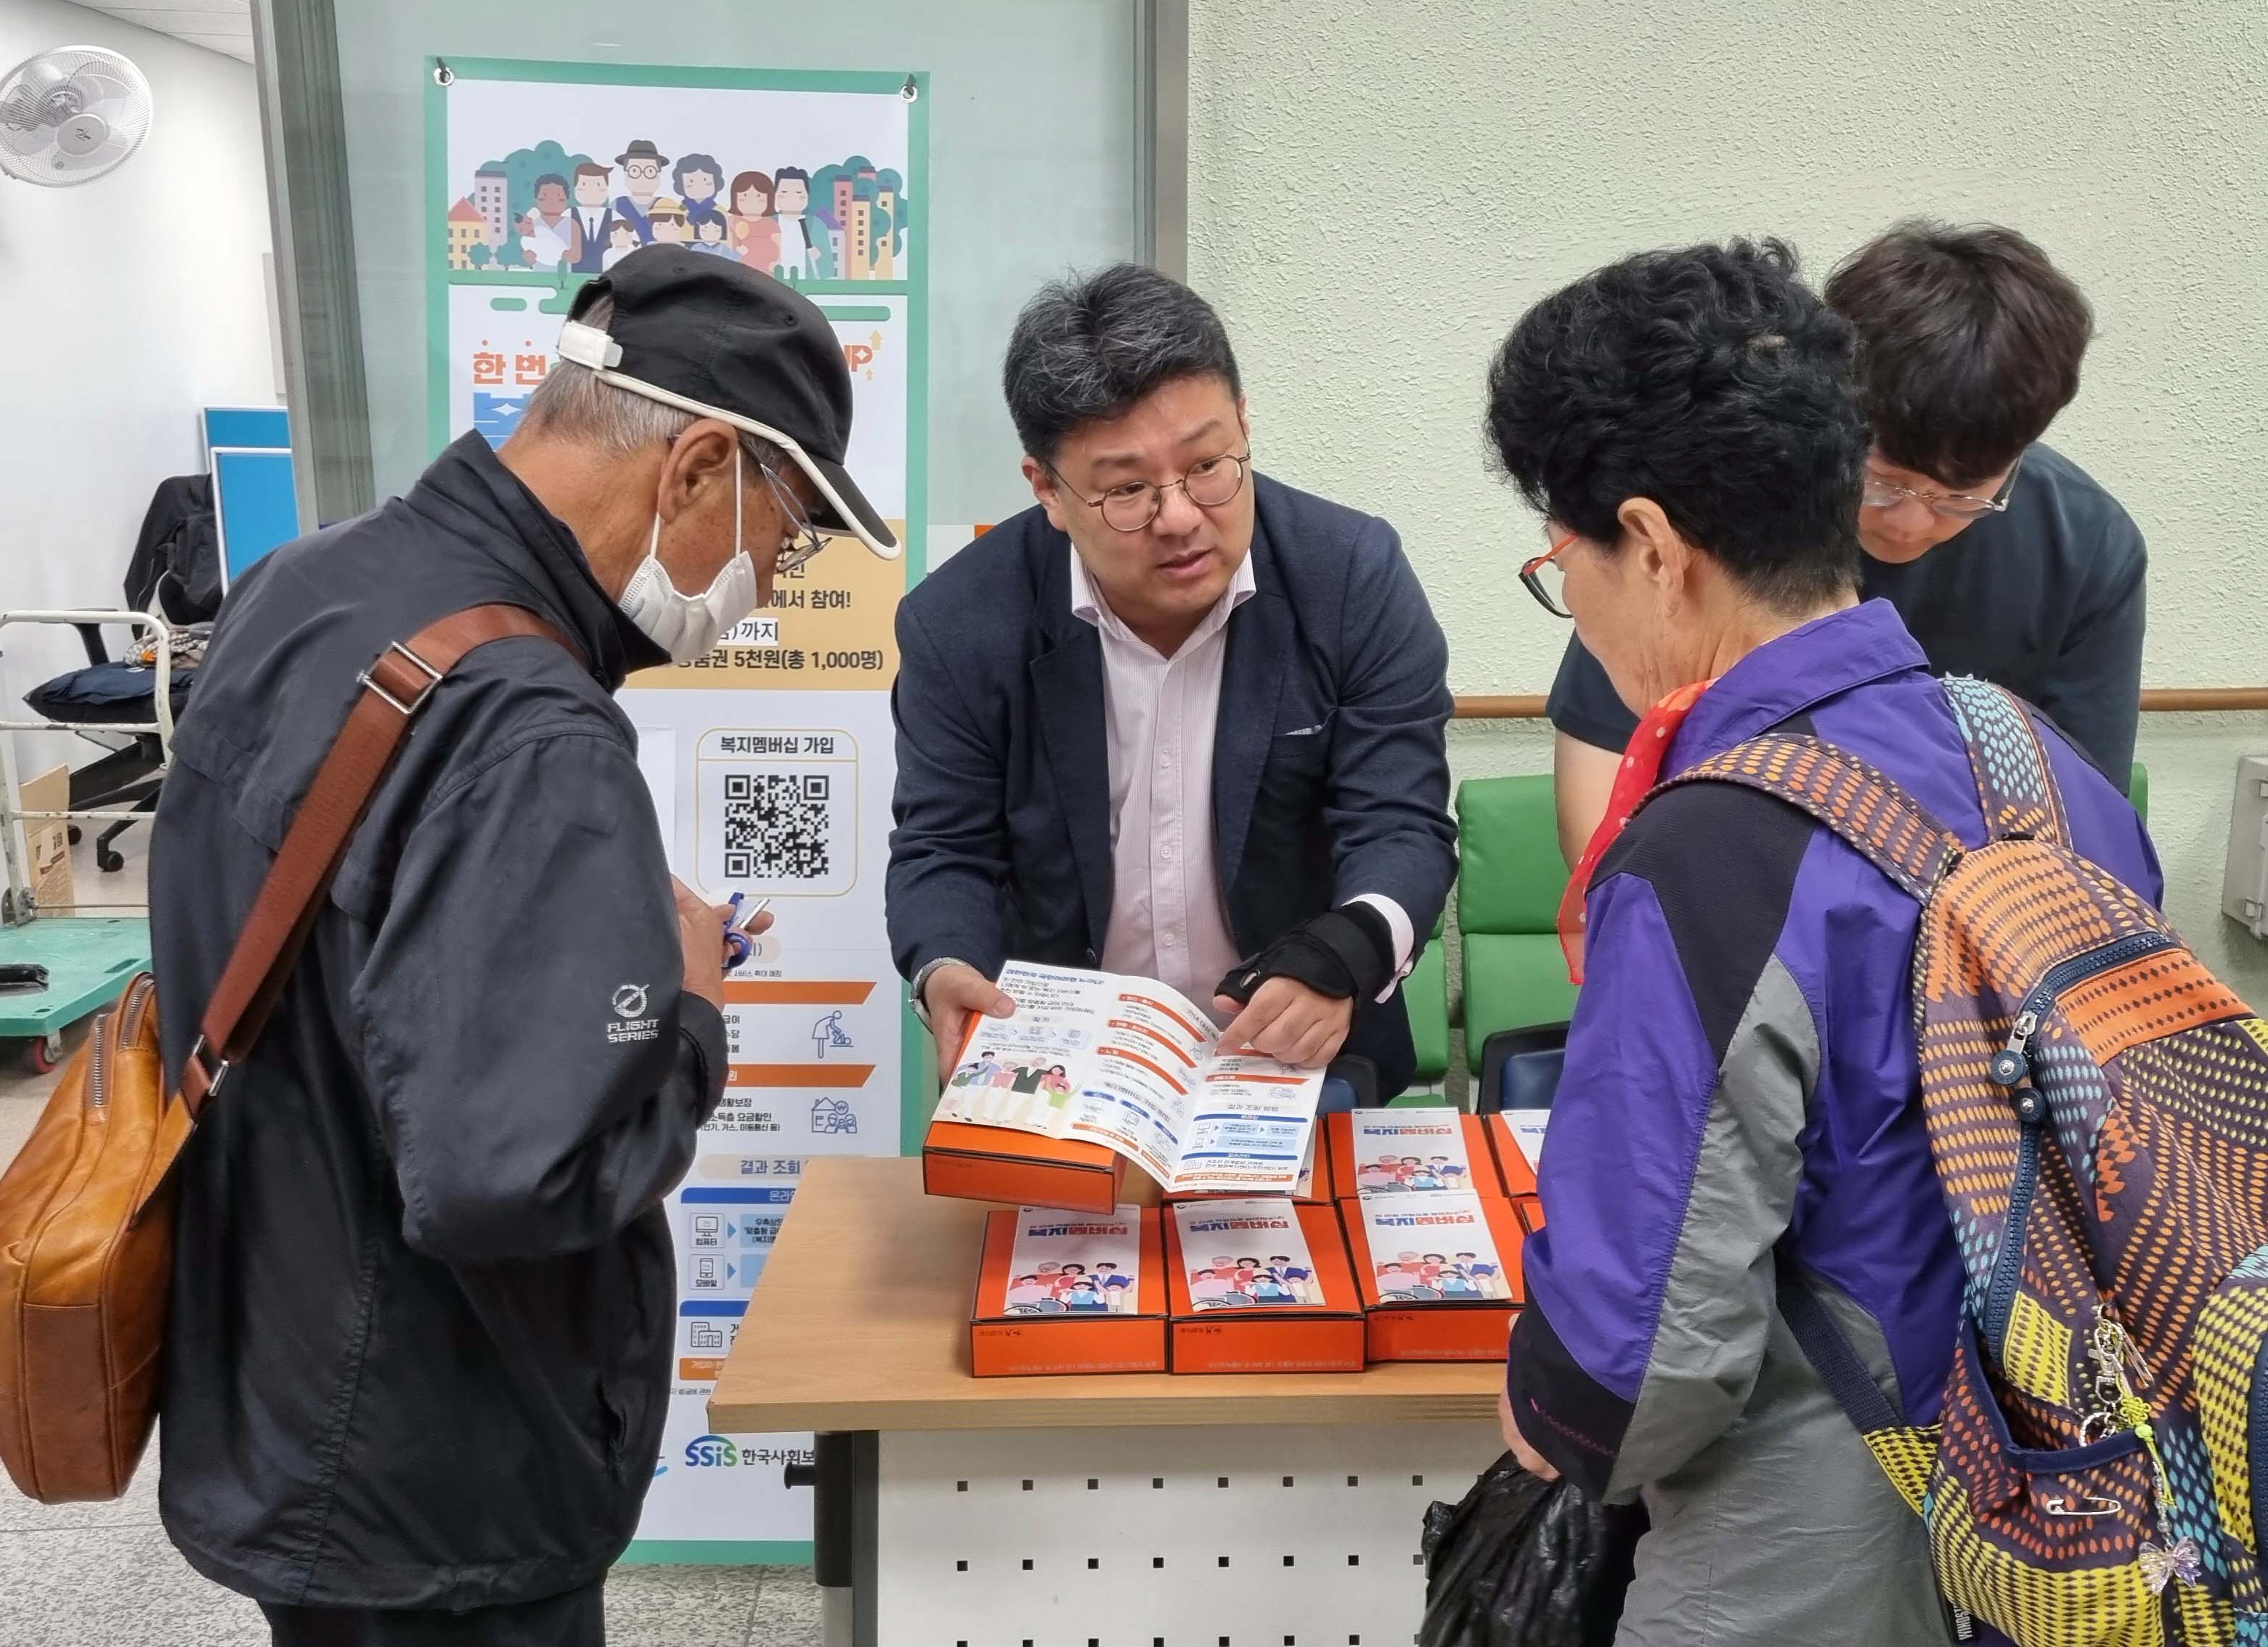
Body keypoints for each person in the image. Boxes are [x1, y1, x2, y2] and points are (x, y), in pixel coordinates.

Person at [147, 247, 898, 1647]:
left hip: (278, 1356)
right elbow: (517, 1175)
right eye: (784, 534)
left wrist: (580, 913)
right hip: (439, 1457)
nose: (771, 578)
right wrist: (687, 1007)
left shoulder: (316, 582)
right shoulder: (527, 721)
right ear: (696, 467)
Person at [1486, 239, 2158, 1645]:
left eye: (1570, 568)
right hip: (2090, 1497)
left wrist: (1546, 1405)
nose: (1581, 607)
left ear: (1657, 548)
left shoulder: (1708, 851)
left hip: (1818, 1533)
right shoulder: (2042, 765)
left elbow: (1644, 1370)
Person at [886, 264, 1456, 1107]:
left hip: (1298, 1062)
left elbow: (1401, 821)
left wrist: (1350, 948)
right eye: (1126, 491)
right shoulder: (961, 622)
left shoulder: (1349, 577)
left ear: (1244, 423)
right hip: (1064, 1075)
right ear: (1046, 488)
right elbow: (944, 849)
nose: (1182, 515)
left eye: (1208, 465)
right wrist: (947, 970)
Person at [1546, 221, 2147, 870]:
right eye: (1884, 481)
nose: (1911, 524)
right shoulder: (1718, 496)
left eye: (1960, 497)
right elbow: (1601, 788)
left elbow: (2085, 820)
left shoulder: (2086, 546)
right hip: (1716, 883)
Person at [611, 138, 675, 240]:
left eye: (650, 171)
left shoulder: (667, 205)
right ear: (626, 174)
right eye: (634, 171)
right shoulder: (617, 205)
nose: (642, 177)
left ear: (659, 175)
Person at [566, 161, 619, 274]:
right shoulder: (568, 215)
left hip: (606, 278)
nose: (591, 191)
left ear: (606, 188)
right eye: (584, 184)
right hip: (574, 274)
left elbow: (633, 240)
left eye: (598, 185)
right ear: (575, 188)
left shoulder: (614, 216)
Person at [727, 171, 781, 275]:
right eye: (744, 197)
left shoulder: (771, 224)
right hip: (741, 272)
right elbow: (729, 247)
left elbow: (778, 246)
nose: (751, 202)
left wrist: (776, 264)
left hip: (767, 273)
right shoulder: (733, 221)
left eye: (759, 198)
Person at [772, 166, 821, 279]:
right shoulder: (769, 222)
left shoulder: (815, 224)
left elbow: (828, 266)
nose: (791, 198)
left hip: (806, 283)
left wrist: (818, 256)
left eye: (799, 193)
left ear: (807, 195)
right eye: (784, 192)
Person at [519, 172, 572, 270]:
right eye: (544, 198)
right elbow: (529, 248)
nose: (552, 203)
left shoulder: (571, 224)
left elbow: (576, 256)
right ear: (537, 199)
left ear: (566, 200)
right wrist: (530, 257)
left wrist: (563, 254)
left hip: (566, 272)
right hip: (539, 273)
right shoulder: (534, 224)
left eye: (559, 198)